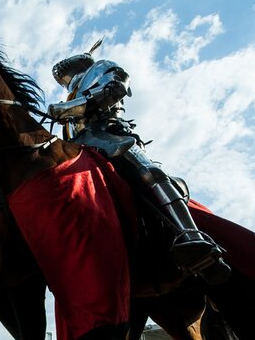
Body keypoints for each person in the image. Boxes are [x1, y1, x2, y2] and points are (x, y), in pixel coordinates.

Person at [47, 45, 231, 284]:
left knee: (150, 173)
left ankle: (191, 236)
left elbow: (115, 89)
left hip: (110, 135)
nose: (64, 76)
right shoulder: (68, 98)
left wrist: (67, 109)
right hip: (79, 148)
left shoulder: (101, 68)